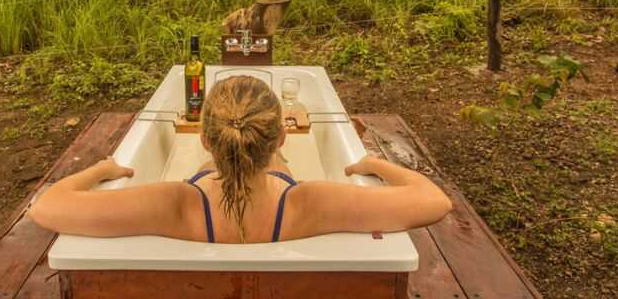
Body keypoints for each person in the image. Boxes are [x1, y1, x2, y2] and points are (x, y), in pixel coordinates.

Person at [30, 76, 452, 243]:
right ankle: (263, 158)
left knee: (238, 171)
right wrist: (372, 164)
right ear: (281, 134)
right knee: (280, 170)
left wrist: (104, 169)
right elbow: (434, 201)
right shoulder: (311, 203)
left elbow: (46, 206)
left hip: (207, 193)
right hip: (277, 191)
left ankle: (247, 159)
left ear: (208, 142)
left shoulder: (173, 204)